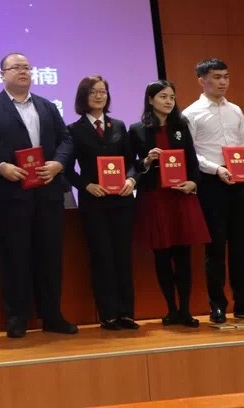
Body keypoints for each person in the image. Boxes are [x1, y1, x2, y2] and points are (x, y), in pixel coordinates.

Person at [0, 52, 76, 339]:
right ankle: (16, 317)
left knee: (50, 255)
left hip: (47, 191)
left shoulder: (47, 106)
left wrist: (58, 163)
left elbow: (66, 140)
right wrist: (0, 167)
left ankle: (52, 315)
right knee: (14, 255)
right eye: (16, 68)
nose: (23, 72)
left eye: (27, 67)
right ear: (2, 74)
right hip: (11, 193)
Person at [182, 59, 244, 323]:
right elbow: (191, 153)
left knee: (241, 246)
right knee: (215, 248)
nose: (223, 82)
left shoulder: (235, 110)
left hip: (239, 183)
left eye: (225, 76)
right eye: (216, 77)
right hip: (212, 184)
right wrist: (216, 169)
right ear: (202, 81)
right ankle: (217, 305)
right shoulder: (191, 114)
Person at [129, 79, 209, 327]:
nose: (169, 101)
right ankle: (171, 309)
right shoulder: (137, 129)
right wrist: (146, 161)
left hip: (179, 196)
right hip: (154, 197)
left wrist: (193, 182)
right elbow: (131, 165)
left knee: (183, 257)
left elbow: (192, 161)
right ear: (150, 99)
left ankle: (185, 310)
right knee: (161, 256)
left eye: (172, 97)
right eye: (163, 96)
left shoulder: (180, 126)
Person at [63, 75, 138, 331]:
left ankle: (126, 313)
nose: (99, 96)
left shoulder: (118, 125)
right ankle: (108, 314)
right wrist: (86, 185)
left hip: (122, 201)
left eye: (103, 91)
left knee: (123, 257)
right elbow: (67, 169)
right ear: (83, 97)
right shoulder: (74, 129)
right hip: (94, 202)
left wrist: (131, 180)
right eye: (93, 92)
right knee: (102, 257)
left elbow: (131, 162)